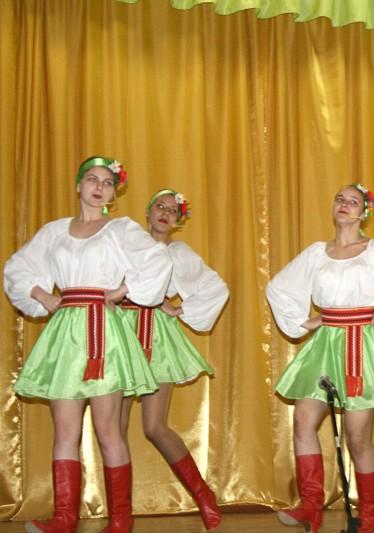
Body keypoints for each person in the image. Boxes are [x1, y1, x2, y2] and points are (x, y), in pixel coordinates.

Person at [3, 156, 172, 533]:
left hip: (103, 335)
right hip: (67, 334)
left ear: (114, 193)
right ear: (79, 185)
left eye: (108, 183)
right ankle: (64, 518)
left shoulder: (120, 229)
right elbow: (17, 267)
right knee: (65, 432)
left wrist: (123, 290)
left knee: (108, 430)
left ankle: (120, 520)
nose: (99, 187)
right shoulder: (54, 231)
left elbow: (156, 261)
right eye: (93, 179)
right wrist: (42, 295)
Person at [266, 184, 374, 533]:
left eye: (353, 201)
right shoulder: (317, 253)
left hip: (361, 346)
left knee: (357, 438)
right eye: (340, 199)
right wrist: (304, 321)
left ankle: (369, 515)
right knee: (302, 421)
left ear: (364, 212)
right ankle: (311, 505)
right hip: (325, 345)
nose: (344, 204)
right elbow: (279, 286)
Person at [119, 189, 229, 530]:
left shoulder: (178, 253)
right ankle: (119, 514)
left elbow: (215, 288)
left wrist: (179, 309)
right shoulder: (126, 244)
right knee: (113, 429)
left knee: (154, 427)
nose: (165, 213)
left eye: (173, 210)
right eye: (160, 206)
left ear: (178, 221)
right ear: (148, 211)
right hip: (120, 334)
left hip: (157, 337)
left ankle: (203, 496)